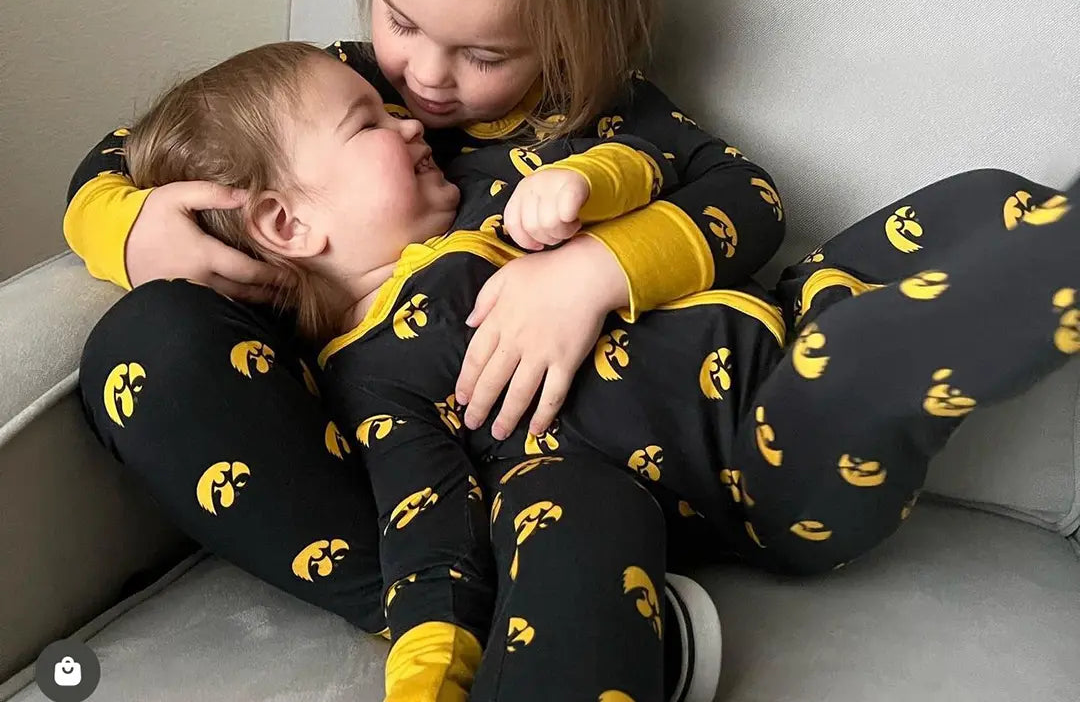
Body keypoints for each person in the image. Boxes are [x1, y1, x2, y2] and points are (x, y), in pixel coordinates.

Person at [69, 0, 780, 702]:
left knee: (572, 523)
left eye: (484, 54)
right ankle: (434, 607)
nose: (426, 80)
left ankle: (569, 616)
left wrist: (597, 267)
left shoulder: (604, 124)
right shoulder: (340, 84)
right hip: (373, 475)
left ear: (575, 33)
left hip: (568, 468)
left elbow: (747, 198)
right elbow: (127, 147)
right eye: (401, 20)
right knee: (141, 342)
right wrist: (130, 227)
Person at [83, 41, 1079, 701]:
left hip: (791, 305)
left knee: (978, 197)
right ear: (287, 224)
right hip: (762, 465)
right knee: (853, 363)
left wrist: (582, 187)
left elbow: (656, 165)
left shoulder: (490, 203)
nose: (410, 118)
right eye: (368, 124)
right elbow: (428, 533)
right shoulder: (371, 381)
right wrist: (427, 670)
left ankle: (1042, 244)